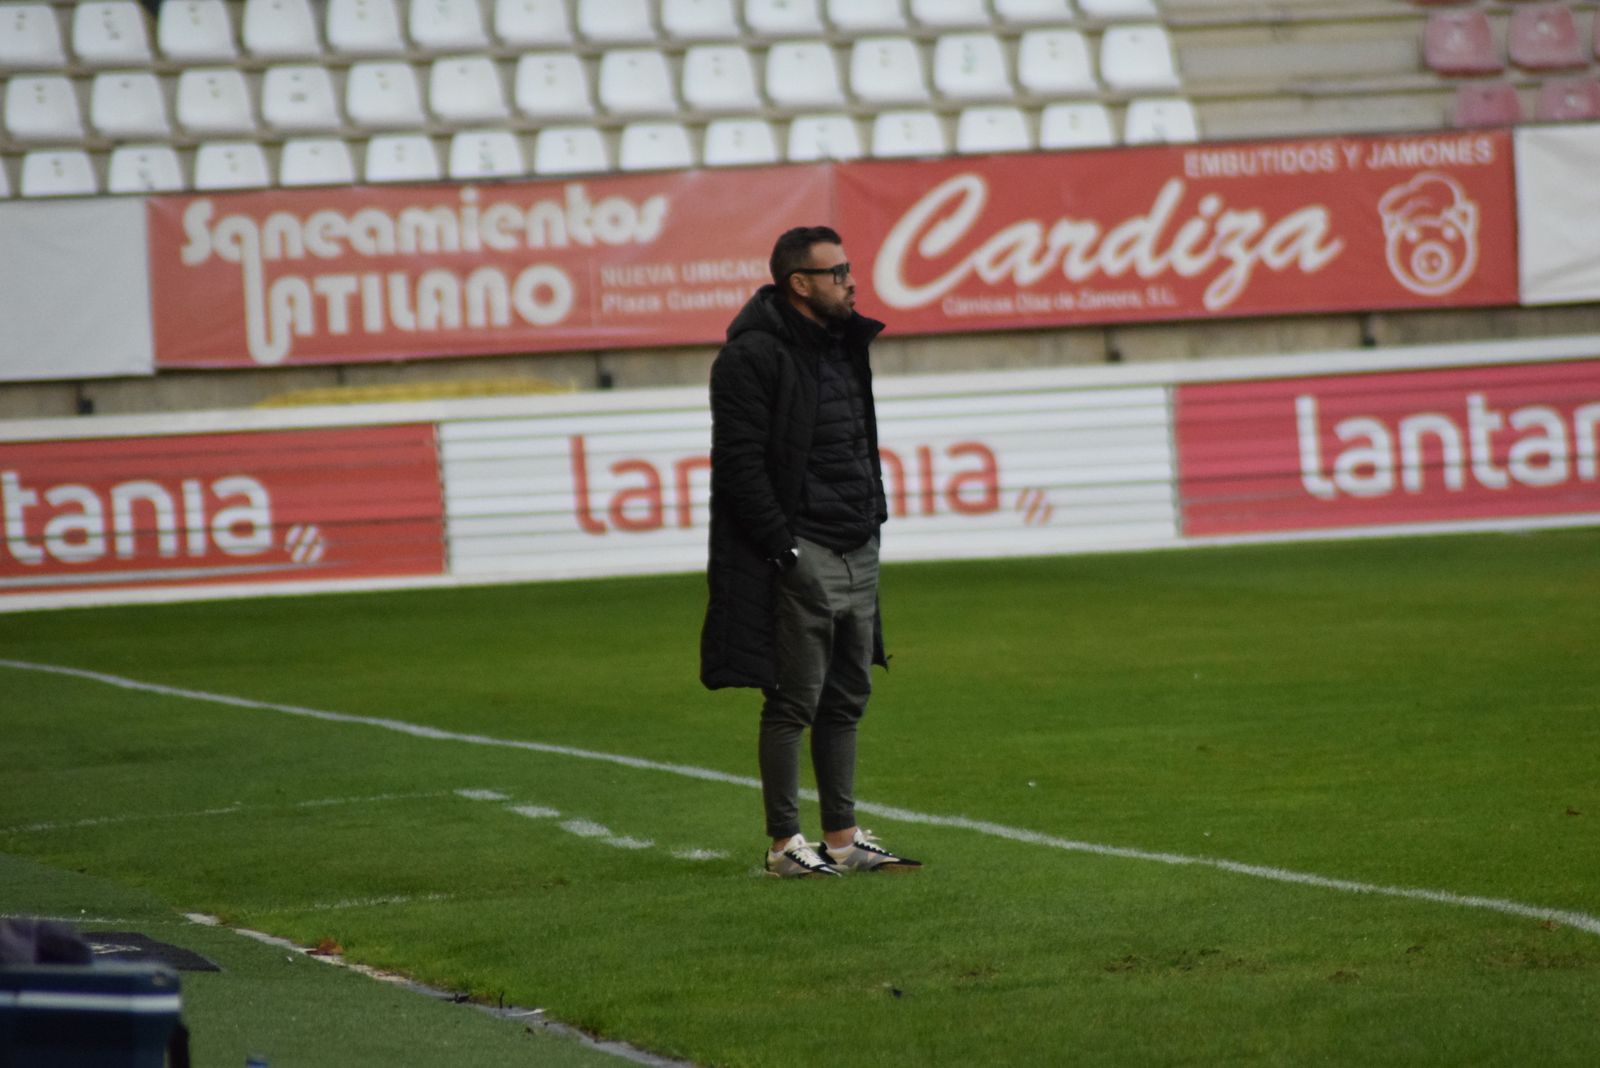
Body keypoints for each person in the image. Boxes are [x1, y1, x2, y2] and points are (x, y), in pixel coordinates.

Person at [700, 225, 921, 878]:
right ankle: (783, 845)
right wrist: (783, 549)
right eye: (839, 272)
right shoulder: (751, 357)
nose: (852, 282)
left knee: (847, 696)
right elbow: (739, 466)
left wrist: (872, 517)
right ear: (800, 284)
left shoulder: (846, 346)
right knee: (793, 699)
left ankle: (845, 839)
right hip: (805, 548)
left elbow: (858, 439)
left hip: (858, 540)